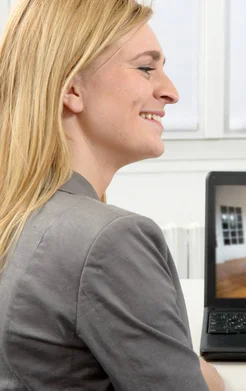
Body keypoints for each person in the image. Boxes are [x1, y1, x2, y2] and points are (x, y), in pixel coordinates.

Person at [0, 1, 223, 390]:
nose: (170, 92)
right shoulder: (108, 240)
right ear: (72, 88)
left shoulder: (19, 214)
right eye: (146, 67)